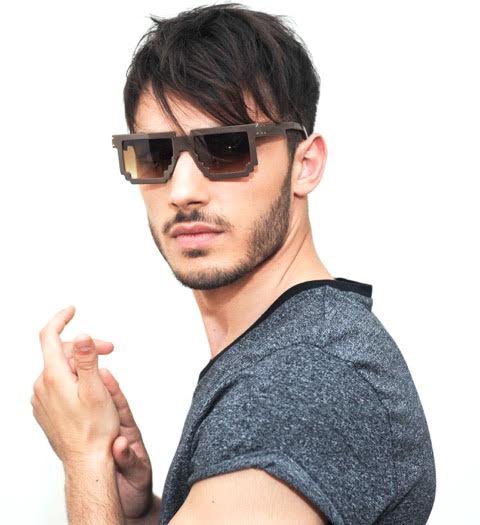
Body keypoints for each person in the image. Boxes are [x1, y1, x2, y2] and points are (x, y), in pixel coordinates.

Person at [31, 3, 436, 524]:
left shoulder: (300, 387)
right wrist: (138, 512)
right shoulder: (294, 352)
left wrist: (85, 457)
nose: (182, 190)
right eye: (155, 154)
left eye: (226, 149)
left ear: (305, 165)